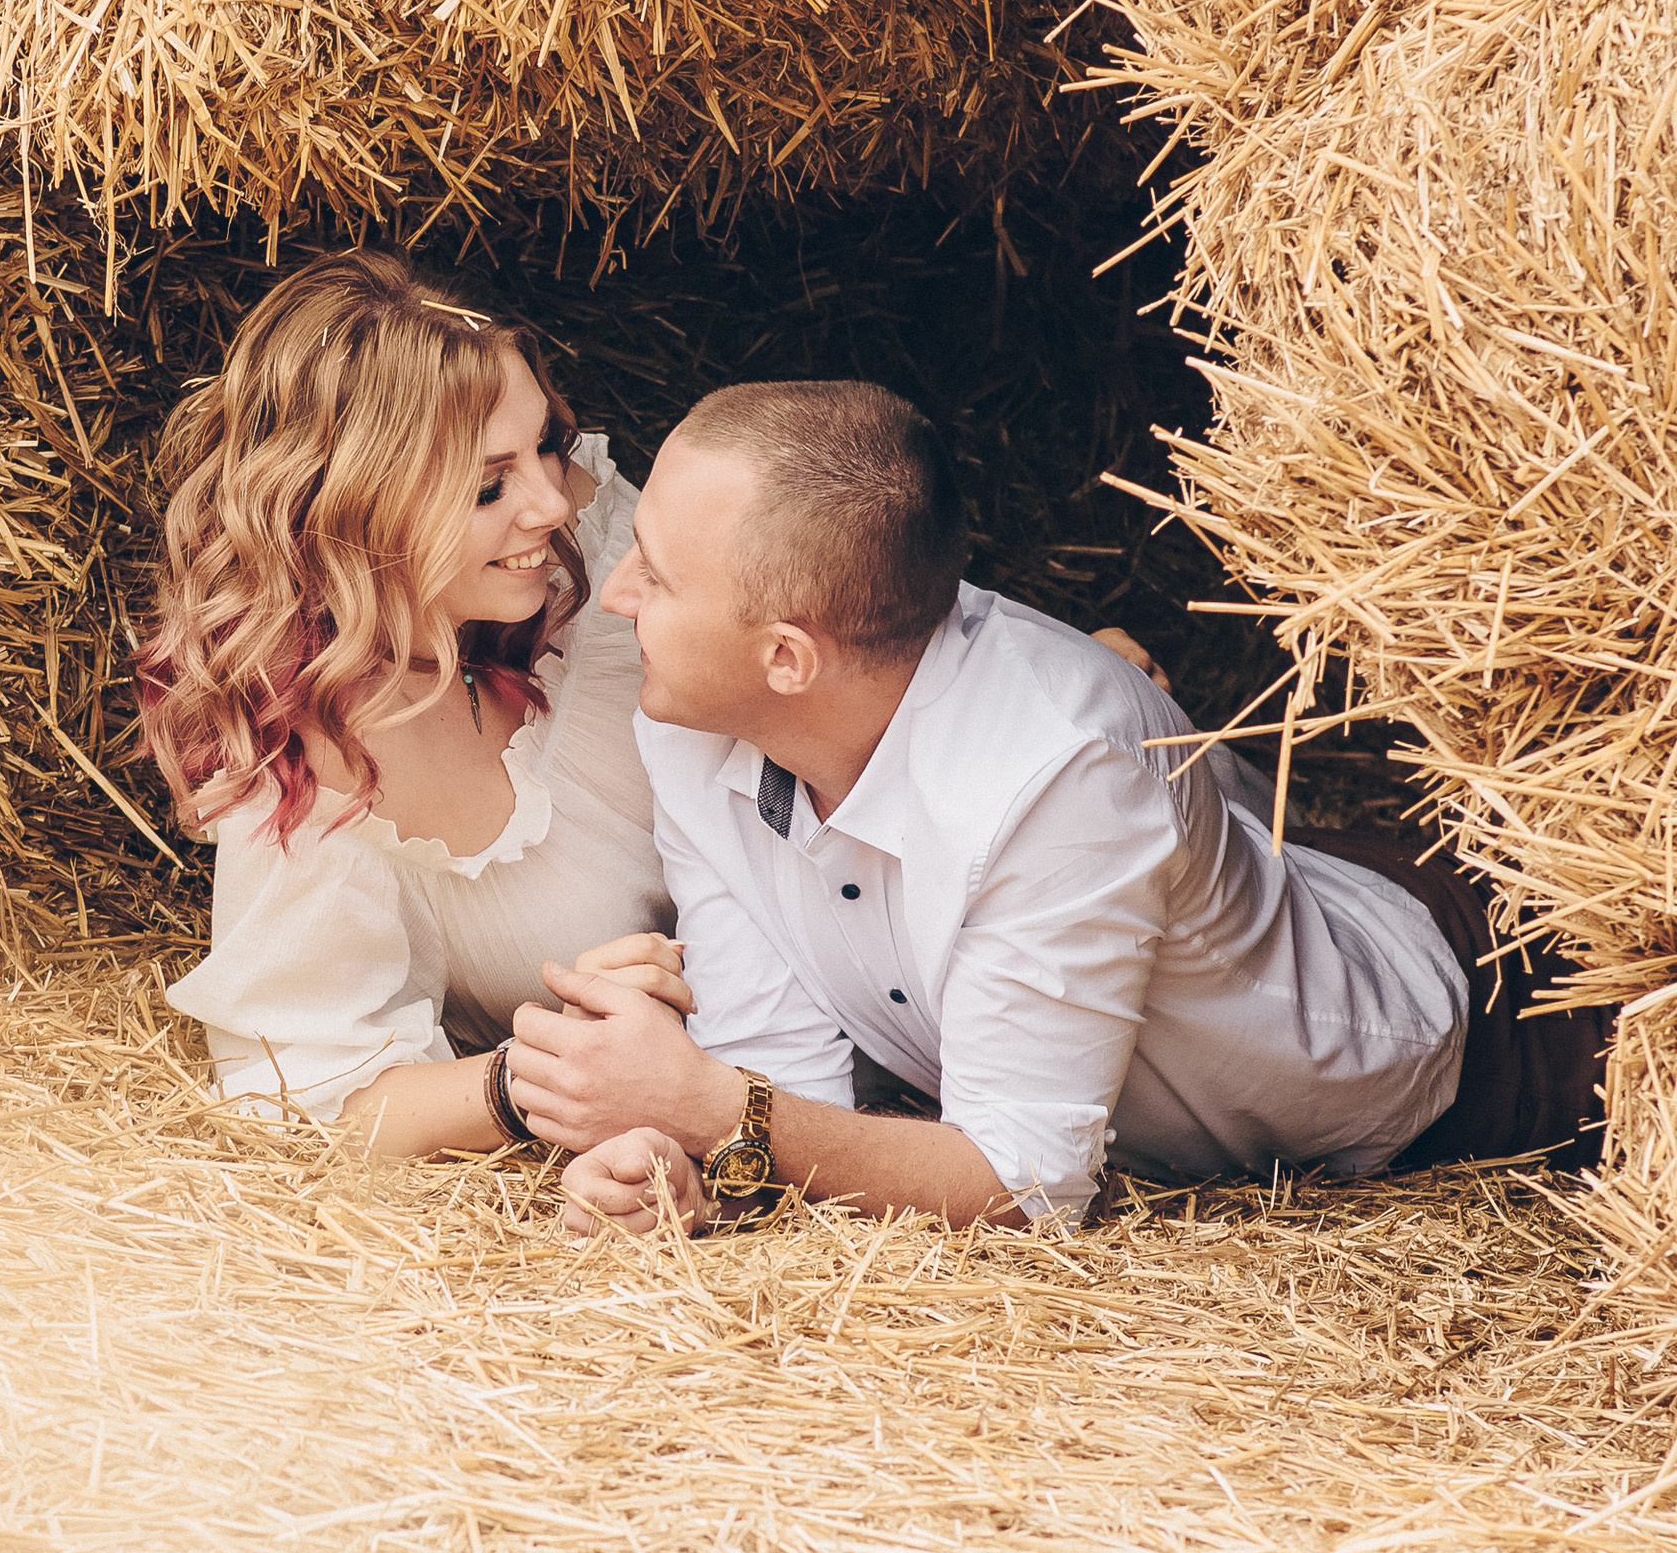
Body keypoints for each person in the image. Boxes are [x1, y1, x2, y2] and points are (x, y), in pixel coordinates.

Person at [508, 379, 1613, 1236]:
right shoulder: (693, 715)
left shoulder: (1058, 776)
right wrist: (680, 1165)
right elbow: (777, 1075)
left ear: (787, 659)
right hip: (1198, 901)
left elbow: (1028, 1187)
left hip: (1487, 1028)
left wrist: (712, 1110)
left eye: (655, 571)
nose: (616, 594)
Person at [138, 248, 683, 1154]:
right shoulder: (315, 759)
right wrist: (541, 1070)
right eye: (486, 485)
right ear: (354, 511)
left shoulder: (602, 532)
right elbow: (307, 1100)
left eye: (544, 443)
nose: (551, 500)